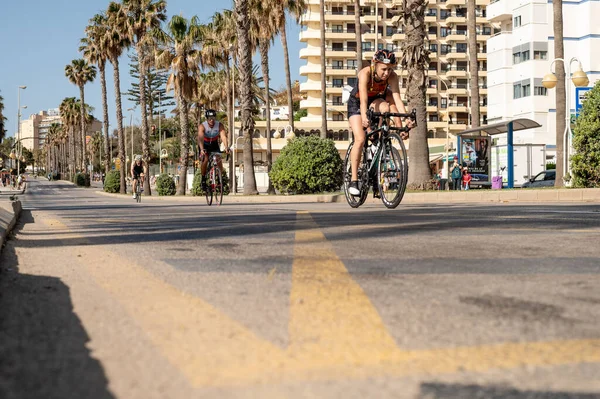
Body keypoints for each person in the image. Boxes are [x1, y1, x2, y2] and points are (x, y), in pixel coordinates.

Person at [347, 49, 413, 196]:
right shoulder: (365, 73)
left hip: (375, 101)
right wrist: (364, 117)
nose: (386, 73)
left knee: (385, 107)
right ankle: (354, 179)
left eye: (390, 69)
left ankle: (377, 142)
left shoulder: (392, 77)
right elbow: (363, 99)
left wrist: (405, 118)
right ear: (374, 65)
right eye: (383, 69)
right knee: (360, 138)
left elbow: (397, 99)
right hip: (357, 104)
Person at [198, 109, 230, 190]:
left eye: (213, 118)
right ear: (207, 118)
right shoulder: (202, 126)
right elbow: (200, 138)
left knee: (218, 158)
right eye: (209, 118)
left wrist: (226, 147)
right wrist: (202, 149)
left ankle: (220, 178)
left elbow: (223, 136)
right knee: (205, 159)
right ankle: (203, 179)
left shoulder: (219, 125)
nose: (211, 120)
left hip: (214, 144)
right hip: (205, 144)